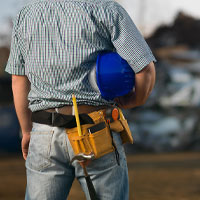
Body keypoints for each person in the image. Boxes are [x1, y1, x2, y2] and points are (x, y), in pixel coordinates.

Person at [6, 0, 156, 199]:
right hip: (97, 130)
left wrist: (26, 130)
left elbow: (18, 78)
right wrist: (135, 100)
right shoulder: (107, 9)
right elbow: (145, 69)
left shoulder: (26, 14)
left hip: (44, 133)